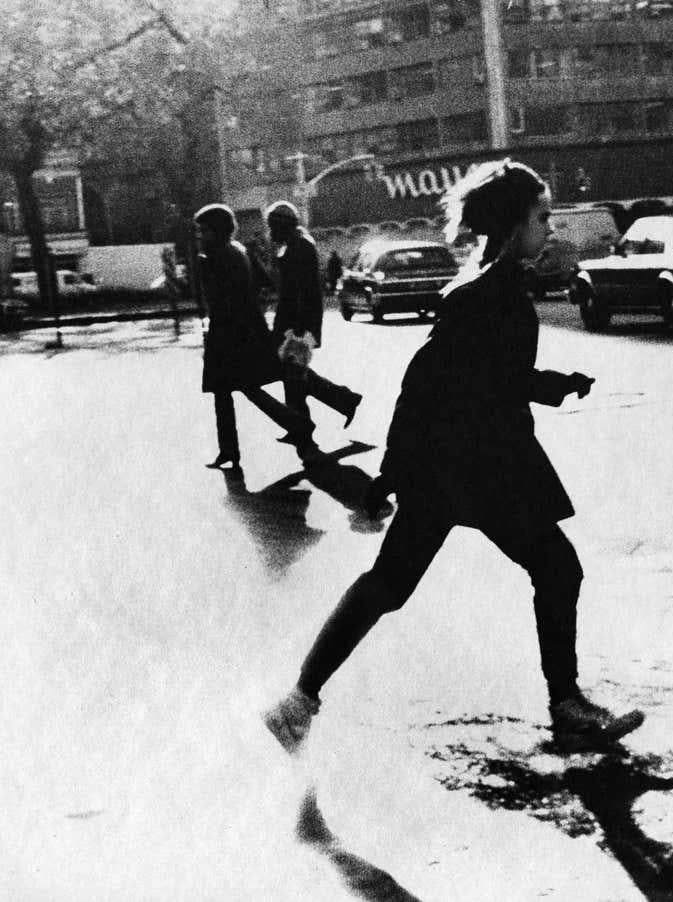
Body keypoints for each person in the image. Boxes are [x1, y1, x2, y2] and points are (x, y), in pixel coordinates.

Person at [263, 161, 645, 753]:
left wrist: (550, 384)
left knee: (392, 584)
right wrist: (390, 474)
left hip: (456, 466)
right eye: (541, 218)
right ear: (513, 224)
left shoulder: (489, 284)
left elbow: (489, 375)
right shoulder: (485, 292)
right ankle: (566, 705)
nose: (550, 229)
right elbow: (428, 383)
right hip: (480, 465)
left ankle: (297, 702)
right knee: (554, 568)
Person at [194, 204, 316, 469]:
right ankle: (233, 448)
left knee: (231, 392)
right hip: (247, 329)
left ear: (216, 231)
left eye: (204, 230)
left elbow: (218, 301)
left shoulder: (214, 257)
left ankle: (235, 448)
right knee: (239, 390)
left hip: (227, 335)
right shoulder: (240, 250)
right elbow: (264, 283)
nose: (201, 236)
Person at [264, 201, 363, 459]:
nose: (270, 231)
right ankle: (341, 402)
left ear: (283, 224)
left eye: (272, 225)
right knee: (294, 375)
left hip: (297, 325)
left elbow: (301, 292)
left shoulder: (299, 246)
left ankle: (303, 429)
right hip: (294, 323)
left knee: (294, 376)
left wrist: (297, 329)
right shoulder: (293, 244)